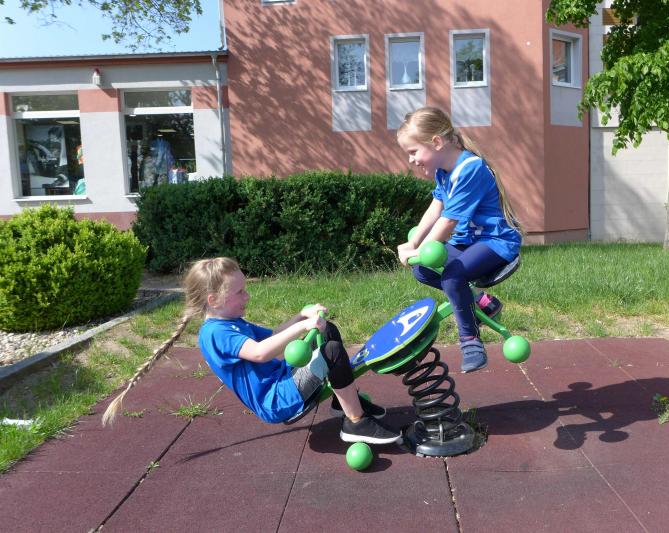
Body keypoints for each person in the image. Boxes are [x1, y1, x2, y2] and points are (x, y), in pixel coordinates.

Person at [103, 257, 401, 445]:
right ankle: (356, 423)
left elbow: (272, 336)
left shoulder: (232, 322)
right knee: (332, 351)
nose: (247, 296)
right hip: (278, 399)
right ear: (213, 300)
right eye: (239, 292)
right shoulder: (215, 334)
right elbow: (260, 353)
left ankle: (343, 401)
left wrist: (301, 316)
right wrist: (302, 327)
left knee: (328, 332)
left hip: (284, 378)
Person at [395, 106, 522, 373]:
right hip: (469, 241)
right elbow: (436, 207)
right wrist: (414, 244)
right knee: (423, 270)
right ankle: (483, 302)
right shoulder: (444, 171)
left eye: (413, 151)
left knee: (452, 276)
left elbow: (448, 221)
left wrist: (421, 248)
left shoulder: (470, 168)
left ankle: (470, 340)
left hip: (495, 242)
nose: (411, 160)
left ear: (436, 142)